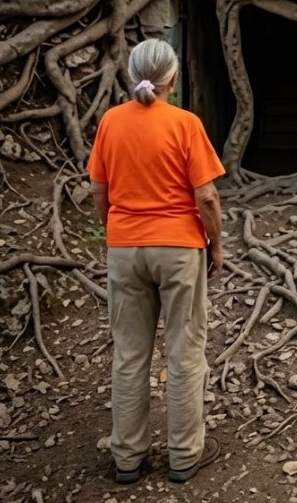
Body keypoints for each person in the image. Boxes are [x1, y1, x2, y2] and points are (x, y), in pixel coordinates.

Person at [87, 38, 225, 485]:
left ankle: (127, 458)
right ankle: (184, 456)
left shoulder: (110, 122)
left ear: (133, 75)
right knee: (185, 353)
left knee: (129, 354)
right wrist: (216, 245)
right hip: (179, 248)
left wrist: (119, 232)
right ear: (174, 78)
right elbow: (206, 195)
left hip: (125, 249)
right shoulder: (185, 124)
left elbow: (98, 192)